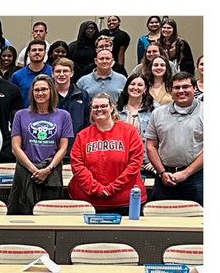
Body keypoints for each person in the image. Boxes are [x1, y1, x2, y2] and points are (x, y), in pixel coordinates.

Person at [8, 75, 73, 214]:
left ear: (51, 91)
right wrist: (34, 170)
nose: (40, 93)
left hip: (51, 171)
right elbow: (15, 147)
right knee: (22, 213)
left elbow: (63, 148)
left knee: (50, 215)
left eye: (44, 89)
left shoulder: (64, 116)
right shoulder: (20, 115)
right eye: (36, 90)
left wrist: (47, 170)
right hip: (26, 171)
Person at [68, 93, 145, 211]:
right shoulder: (82, 136)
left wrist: (112, 188)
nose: (99, 109)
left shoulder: (130, 132)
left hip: (125, 202)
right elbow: (77, 166)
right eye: (95, 107)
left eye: (103, 106)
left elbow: (134, 164)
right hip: (87, 203)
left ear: (111, 107)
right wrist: (96, 189)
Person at [145, 72, 203, 205]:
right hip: (165, 177)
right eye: (176, 87)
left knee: (197, 222)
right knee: (161, 220)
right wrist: (162, 172)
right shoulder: (158, 113)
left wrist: (186, 173)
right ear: (170, 91)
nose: (181, 91)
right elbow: (151, 146)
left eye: (186, 87)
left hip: (197, 177)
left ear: (194, 89)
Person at [117, 75, 156, 176]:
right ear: (127, 87)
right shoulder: (116, 110)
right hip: (122, 164)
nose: (135, 87)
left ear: (145, 89)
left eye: (140, 85)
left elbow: (164, 137)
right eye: (132, 84)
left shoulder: (155, 110)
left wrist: (156, 160)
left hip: (147, 164)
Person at [51, 58, 89, 139]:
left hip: (77, 142)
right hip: (51, 143)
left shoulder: (83, 95)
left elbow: (88, 122)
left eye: (65, 71)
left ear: (72, 73)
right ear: (52, 74)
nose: (61, 74)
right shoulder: (46, 95)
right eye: (58, 71)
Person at [10, 39, 52, 107]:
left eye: (40, 50)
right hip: (25, 115)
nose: (37, 52)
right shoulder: (17, 76)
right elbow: (12, 100)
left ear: (45, 53)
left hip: (49, 115)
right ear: (28, 53)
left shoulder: (53, 73)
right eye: (34, 50)